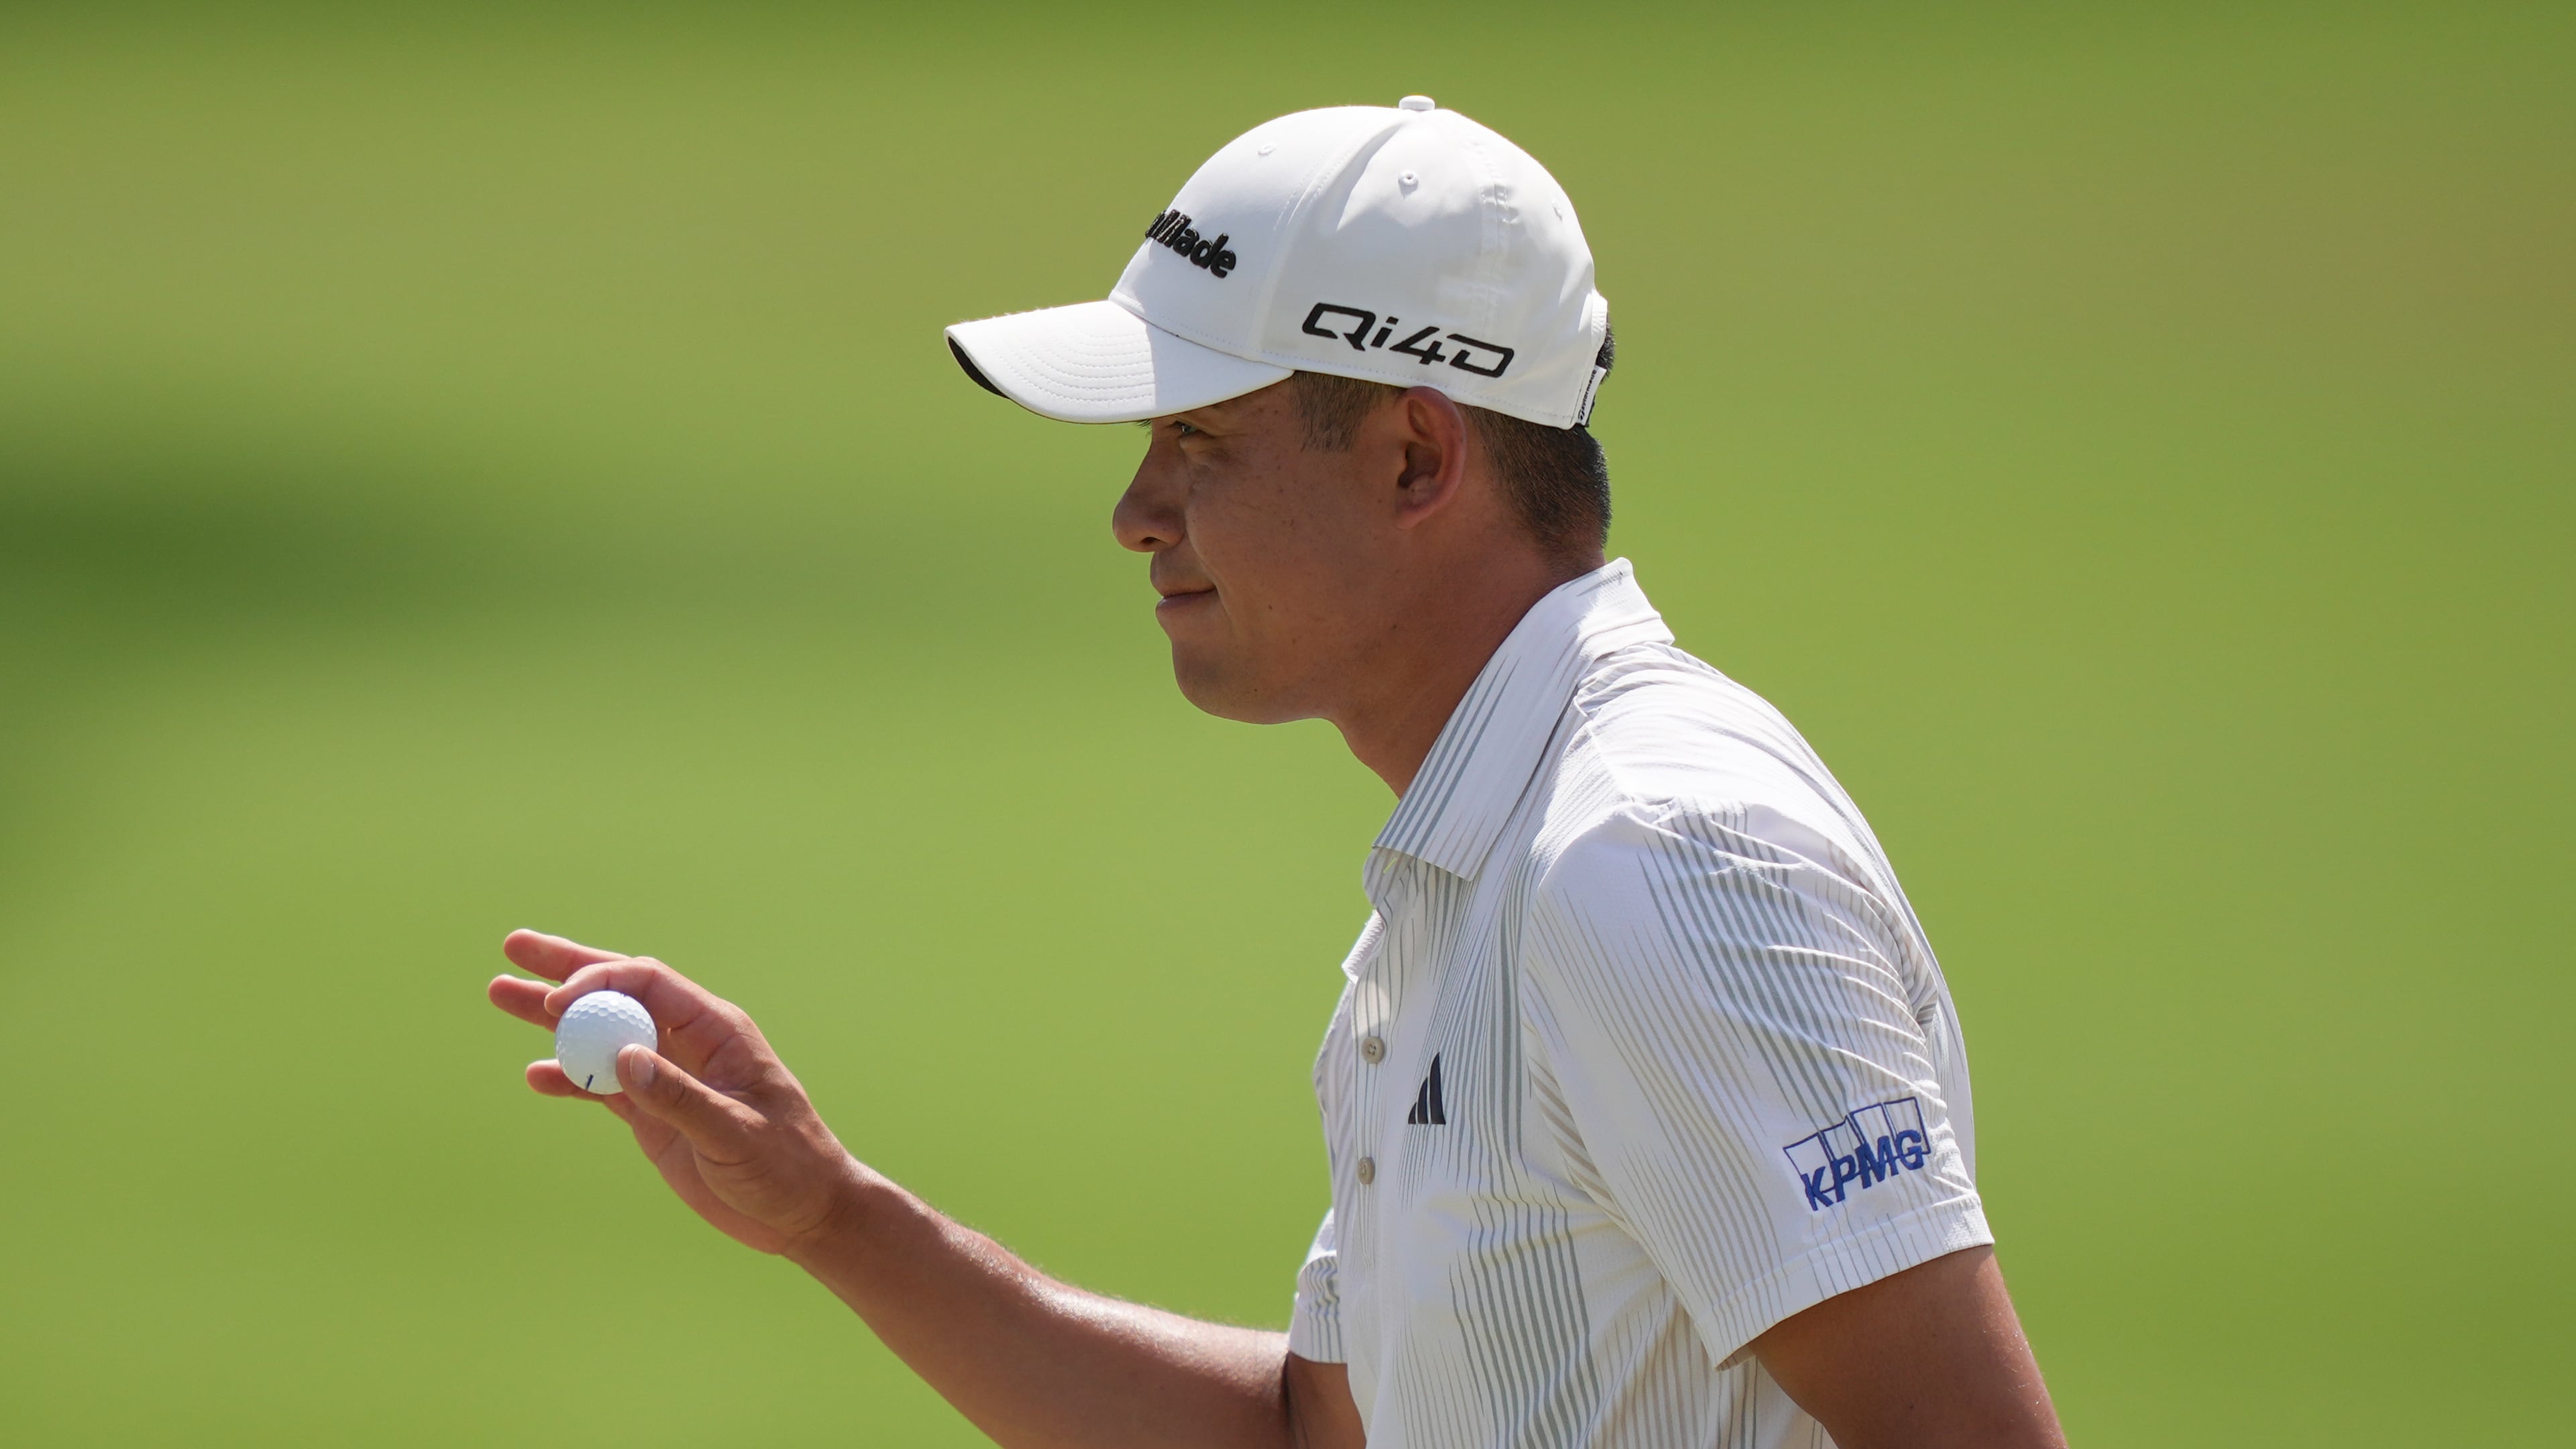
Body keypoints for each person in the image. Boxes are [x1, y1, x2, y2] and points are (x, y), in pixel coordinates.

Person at [488, 97, 2066, 1448]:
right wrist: (836, 1217)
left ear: (1413, 459)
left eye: (1205, 447)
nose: (1134, 511)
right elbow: (1315, 1436)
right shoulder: (1476, 872)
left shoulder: (1655, 856)